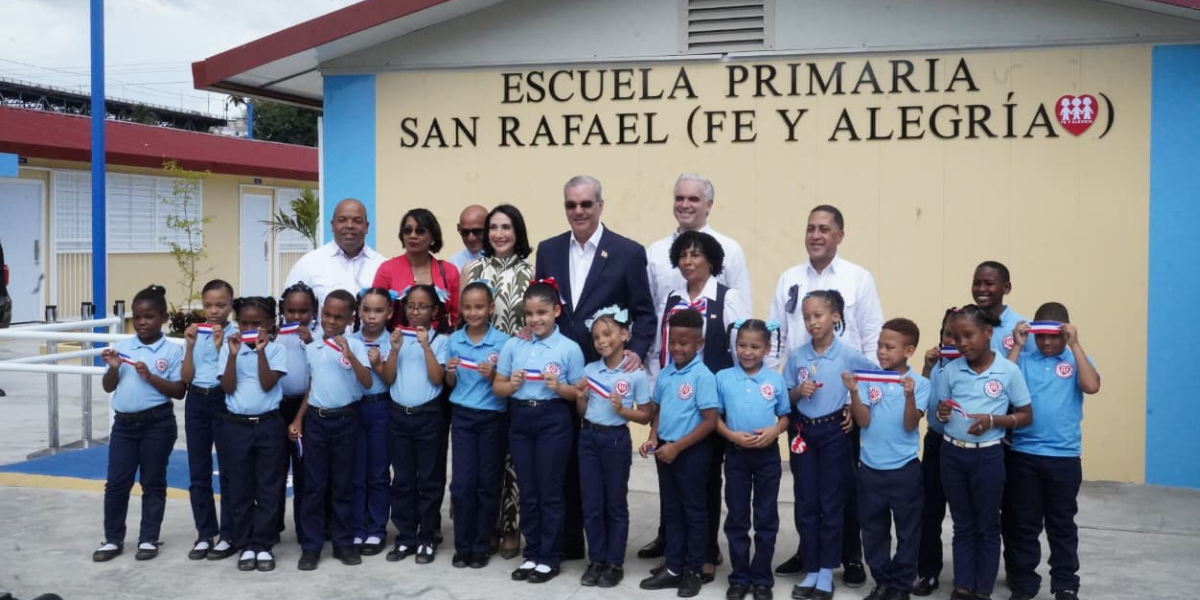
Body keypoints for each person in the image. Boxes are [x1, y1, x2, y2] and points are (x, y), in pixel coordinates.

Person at [534, 175, 656, 560]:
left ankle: (606, 553)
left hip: (603, 379)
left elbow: (644, 313)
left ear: (601, 205)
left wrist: (634, 349)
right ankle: (568, 544)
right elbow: (542, 302)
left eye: (586, 204)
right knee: (564, 466)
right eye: (571, 205)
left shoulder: (627, 252)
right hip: (558, 375)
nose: (579, 211)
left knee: (602, 475)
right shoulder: (549, 249)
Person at [769, 205, 882, 587]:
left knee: (842, 490)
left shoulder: (858, 278)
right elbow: (776, 338)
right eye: (810, 228)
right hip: (802, 405)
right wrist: (776, 395)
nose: (815, 235)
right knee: (807, 489)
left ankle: (849, 557)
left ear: (839, 235)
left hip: (841, 408)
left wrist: (858, 401)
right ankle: (810, 554)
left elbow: (871, 341)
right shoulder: (789, 278)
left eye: (824, 229)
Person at [647, 229, 751, 581]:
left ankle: (705, 555)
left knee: (705, 481)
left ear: (712, 260)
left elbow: (740, 349)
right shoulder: (672, 297)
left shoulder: (728, 297)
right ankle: (677, 555)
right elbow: (662, 349)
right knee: (676, 487)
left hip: (709, 403)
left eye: (697, 255)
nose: (689, 261)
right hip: (675, 400)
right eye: (684, 255)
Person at [933, 305, 1032, 600]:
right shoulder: (951, 370)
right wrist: (942, 411)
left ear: (988, 333)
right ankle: (963, 586)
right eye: (957, 337)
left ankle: (983, 590)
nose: (962, 343)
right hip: (952, 456)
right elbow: (941, 412)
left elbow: (1026, 415)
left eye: (969, 335)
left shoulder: (1008, 371)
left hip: (987, 458)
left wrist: (993, 421)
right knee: (962, 524)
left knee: (987, 525)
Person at [783, 290, 875, 600]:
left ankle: (826, 573)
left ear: (835, 316)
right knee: (807, 502)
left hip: (835, 433)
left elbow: (877, 380)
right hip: (804, 435)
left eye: (818, 315)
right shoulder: (797, 356)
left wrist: (853, 404)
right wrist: (797, 391)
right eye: (807, 317)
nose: (812, 322)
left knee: (832, 505)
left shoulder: (849, 355)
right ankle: (811, 568)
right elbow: (784, 396)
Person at [1004, 304, 1100, 600]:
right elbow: (1001, 385)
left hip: (1064, 458)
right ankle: (1024, 584)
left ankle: (1065, 583)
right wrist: (1018, 346)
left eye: (1054, 337)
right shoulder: (1025, 360)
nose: (1046, 343)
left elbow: (1092, 385)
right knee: (1024, 524)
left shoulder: (1074, 358)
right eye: (1041, 336)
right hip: (1024, 454)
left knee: (1061, 524)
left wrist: (1075, 343)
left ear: (1065, 332)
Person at [493, 280, 585, 584]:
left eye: (542, 312)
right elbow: (498, 387)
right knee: (528, 491)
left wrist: (559, 387)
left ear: (556, 311)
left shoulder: (569, 348)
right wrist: (513, 384)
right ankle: (532, 552)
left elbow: (578, 394)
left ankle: (550, 556)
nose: (535, 320)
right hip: (520, 418)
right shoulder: (513, 344)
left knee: (550, 489)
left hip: (554, 418)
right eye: (529, 313)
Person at [461, 204, 535, 559]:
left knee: (510, 458)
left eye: (507, 227)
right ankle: (483, 526)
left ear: (518, 232)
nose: (499, 234)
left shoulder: (531, 271)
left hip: (515, 374)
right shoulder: (472, 268)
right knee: (482, 460)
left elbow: (540, 318)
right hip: (477, 377)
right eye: (493, 227)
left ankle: (510, 526)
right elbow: (460, 321)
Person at [92, 285, 185, 563]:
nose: (142, 322)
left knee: (153, 482)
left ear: (164, 318)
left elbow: (179, 390)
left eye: (149, 316)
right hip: (123, 426)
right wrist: (113, 367)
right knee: (117, 484)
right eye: (137, 317)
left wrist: (151, 378)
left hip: (157, 424)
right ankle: (112, 539)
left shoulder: (171, 351)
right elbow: (109, 387)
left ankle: (148, 538)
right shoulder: (123, 347)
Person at [842, 318, 931, 600]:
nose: (881, 351)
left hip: (904, 470)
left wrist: (909, 397)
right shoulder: (869, 379)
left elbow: (909, 425)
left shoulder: (921, 384)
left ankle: (902, 586)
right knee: (873, 530)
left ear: (909, 350)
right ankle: (882, 581)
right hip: (870, 469)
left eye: (889, 347)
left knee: (908, 531)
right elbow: (863, 420)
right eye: (880, 345)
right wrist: (855, 392)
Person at [637, 309, 718, 598]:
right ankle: (673, 567)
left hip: (691, 454)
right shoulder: (666, 373)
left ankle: (693, 571)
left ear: (699, 344)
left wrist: (677, 447)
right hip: (665, 451)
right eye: (673, 342)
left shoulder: (703, 376)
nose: (677, 348)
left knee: (693, 512)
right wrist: (652, 437)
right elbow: (657, 411)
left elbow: (709, 421)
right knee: (671, 510)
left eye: (684, 343)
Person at [290, 290, 373, 571]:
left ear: (351, 318)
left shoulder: (356, 345)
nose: (331, 321)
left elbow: (368, 382)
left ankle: (344, 543)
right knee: (313, 486)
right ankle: (311, 547)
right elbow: (312, 386)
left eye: (339, 317)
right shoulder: (312, 347)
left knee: (342, 485)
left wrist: (350, 354)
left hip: (346, 421)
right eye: (327, 314)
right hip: (316, 421)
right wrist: (299, 419)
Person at [574, 305, 652, 588]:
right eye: (596, 337)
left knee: (614, 504)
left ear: (624, 334)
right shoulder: (590, 369)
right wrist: (581, 397)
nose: (602, 341)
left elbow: (645, 415)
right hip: (588, 438)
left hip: (616, 440)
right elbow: (583, 411)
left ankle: (614, 562)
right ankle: (596, 560)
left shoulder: (635, 373)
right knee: (592, 503)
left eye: (607, 334)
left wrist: (622, 411)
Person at [715, 319, 790, 600]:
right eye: (742, 345)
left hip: (768, 457)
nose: (747, 352)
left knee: (766, 516)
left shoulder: (775, 380)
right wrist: (731, 436)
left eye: (755, 346)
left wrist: (774, 430)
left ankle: (761, 578)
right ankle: (739, 577)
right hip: (736, 455)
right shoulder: (723, 378)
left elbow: (784, 417)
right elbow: (715, 419)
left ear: (767, 349)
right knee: (736, 516)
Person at [215, 296, 288, 572]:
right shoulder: (228, 350)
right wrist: (233, 355)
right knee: (240, 486)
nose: (249, 327)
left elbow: (269, 384)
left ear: (269, 324)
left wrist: (260, 351)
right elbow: (228, 387)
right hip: (236, 426)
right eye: (244, 322)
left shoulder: (277, 350)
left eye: (256, 324)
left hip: (269, 425)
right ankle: (245, 544)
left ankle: (264, 544)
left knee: (269, 486)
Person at [381, 284, 450, 564]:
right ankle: (406, 536)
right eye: (411, 306)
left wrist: (425, 346)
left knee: (430, 479)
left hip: (429, 416)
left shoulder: (441, 340)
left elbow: (437, 379)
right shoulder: (395, 337)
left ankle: (428, 536)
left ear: (434, 311)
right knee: (403, 479)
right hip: (399, 415)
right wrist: (395, 350)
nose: (416, 312)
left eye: (423, 307)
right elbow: (387, 378)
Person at [445, 281, 511, 569]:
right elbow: (449, 383)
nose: (474, 312)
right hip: (462, 417)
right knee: (462, 484)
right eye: (468, 307)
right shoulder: (454, 340)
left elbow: (505, 382)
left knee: (487, 484)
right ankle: (463, 545)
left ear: (491, 309)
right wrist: (449, 372)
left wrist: (493, 374)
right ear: (461, 309)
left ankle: (482, 545)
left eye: (480, 307)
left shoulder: (502, 342)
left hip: (492, 418)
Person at [645, 173, 753, 331]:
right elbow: (647, 310)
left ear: (709, 205)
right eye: (679, 198)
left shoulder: (730, 249)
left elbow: (742, 311)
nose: (685, 204)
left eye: (693, 199)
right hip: (665, 350)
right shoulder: (655, 251)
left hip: (715, 350)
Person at [180, 279, 236, 561]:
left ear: (231, 306)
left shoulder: (237, 333)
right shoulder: (195, 332)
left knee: (228, 469)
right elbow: (186, 378)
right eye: (208, 305)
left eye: (221, 305)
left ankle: (228, 534)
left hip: (223, 400)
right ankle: (205, 533)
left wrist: (219, 346)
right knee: (198, 471)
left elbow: (231, 374)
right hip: (197, 401)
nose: (214, 311)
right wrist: (190, 346)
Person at [914, 308, 959, 597]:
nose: (954, 341)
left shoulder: (976, 366)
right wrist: (928, 367)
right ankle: (928, 572)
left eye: (962, 336)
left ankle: (968, 576)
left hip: (964, 449)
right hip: (936, 444)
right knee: (929, 513)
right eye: (948, 334)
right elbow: (922, 399)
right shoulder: (937, 365)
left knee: (965, 517)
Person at [349, 288, 397, 556]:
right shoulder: (348, 340)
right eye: (366, 309)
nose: (371, 316)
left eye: (378, 310)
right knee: (356, 473)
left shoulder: (394, 341)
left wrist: (380, 362)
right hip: (353, 410)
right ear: (358, 311)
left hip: (381, 408)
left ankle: (377, 530)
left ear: (389, 312)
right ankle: (358, 528)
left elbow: (391, 379)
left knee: (378, 472)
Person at [274, 282, 319, 542]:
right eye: (291, 310)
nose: (297, 317)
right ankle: (274, 525)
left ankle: (306, 528)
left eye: (304, 311)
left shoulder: (318, 336)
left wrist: (311, 342)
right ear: (283, 310)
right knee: (275, 470)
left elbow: (320, 372)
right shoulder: (273, 334)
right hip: (277, 407)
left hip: (306, 407)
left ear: (314, 310)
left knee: (305, 472)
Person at [283, 199, 385, 309]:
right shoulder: (308, 264)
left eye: (357, 221)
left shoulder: (382, 266)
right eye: (342, 220)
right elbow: (288, 310)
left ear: (366, 227)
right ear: (332, 225)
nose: (350, 225)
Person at [373, 208, 461, 328]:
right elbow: (374, 311)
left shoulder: (449, 271)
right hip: (396, 342)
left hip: (438, 343)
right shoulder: (387, 269)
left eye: (420, 231)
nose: (412, 235)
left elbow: (458, 317)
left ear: (433, 237)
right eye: (407, 231)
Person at [447, 204, 488, 270]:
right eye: (465, 232)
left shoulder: (503, 258)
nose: (471, 238)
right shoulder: (454, 263)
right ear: (458, 228)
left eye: (477, 232)